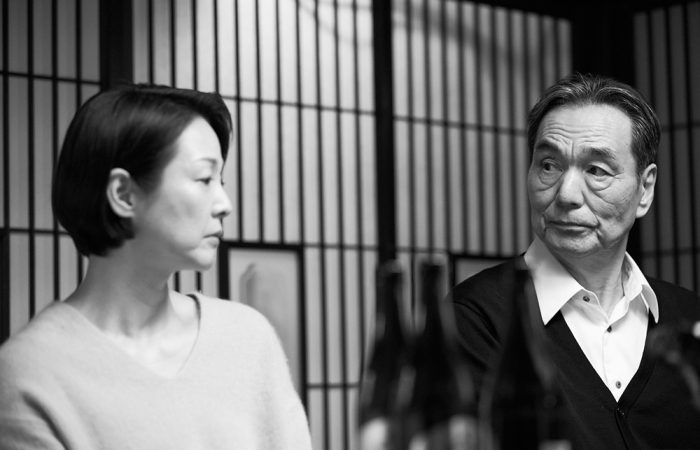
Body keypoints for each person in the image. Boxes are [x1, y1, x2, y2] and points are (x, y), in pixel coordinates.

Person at [0, 85, 313, 449]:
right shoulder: (30, 372)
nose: (224, 203)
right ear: (123, 194)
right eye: (204, 179)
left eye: (221, 180)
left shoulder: (248, 338)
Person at [450, 73, 700, 449]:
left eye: (596, 170)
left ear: (645, 189)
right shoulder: (476, 316)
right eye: (548, 165)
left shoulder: (688, 316)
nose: (566, 194)